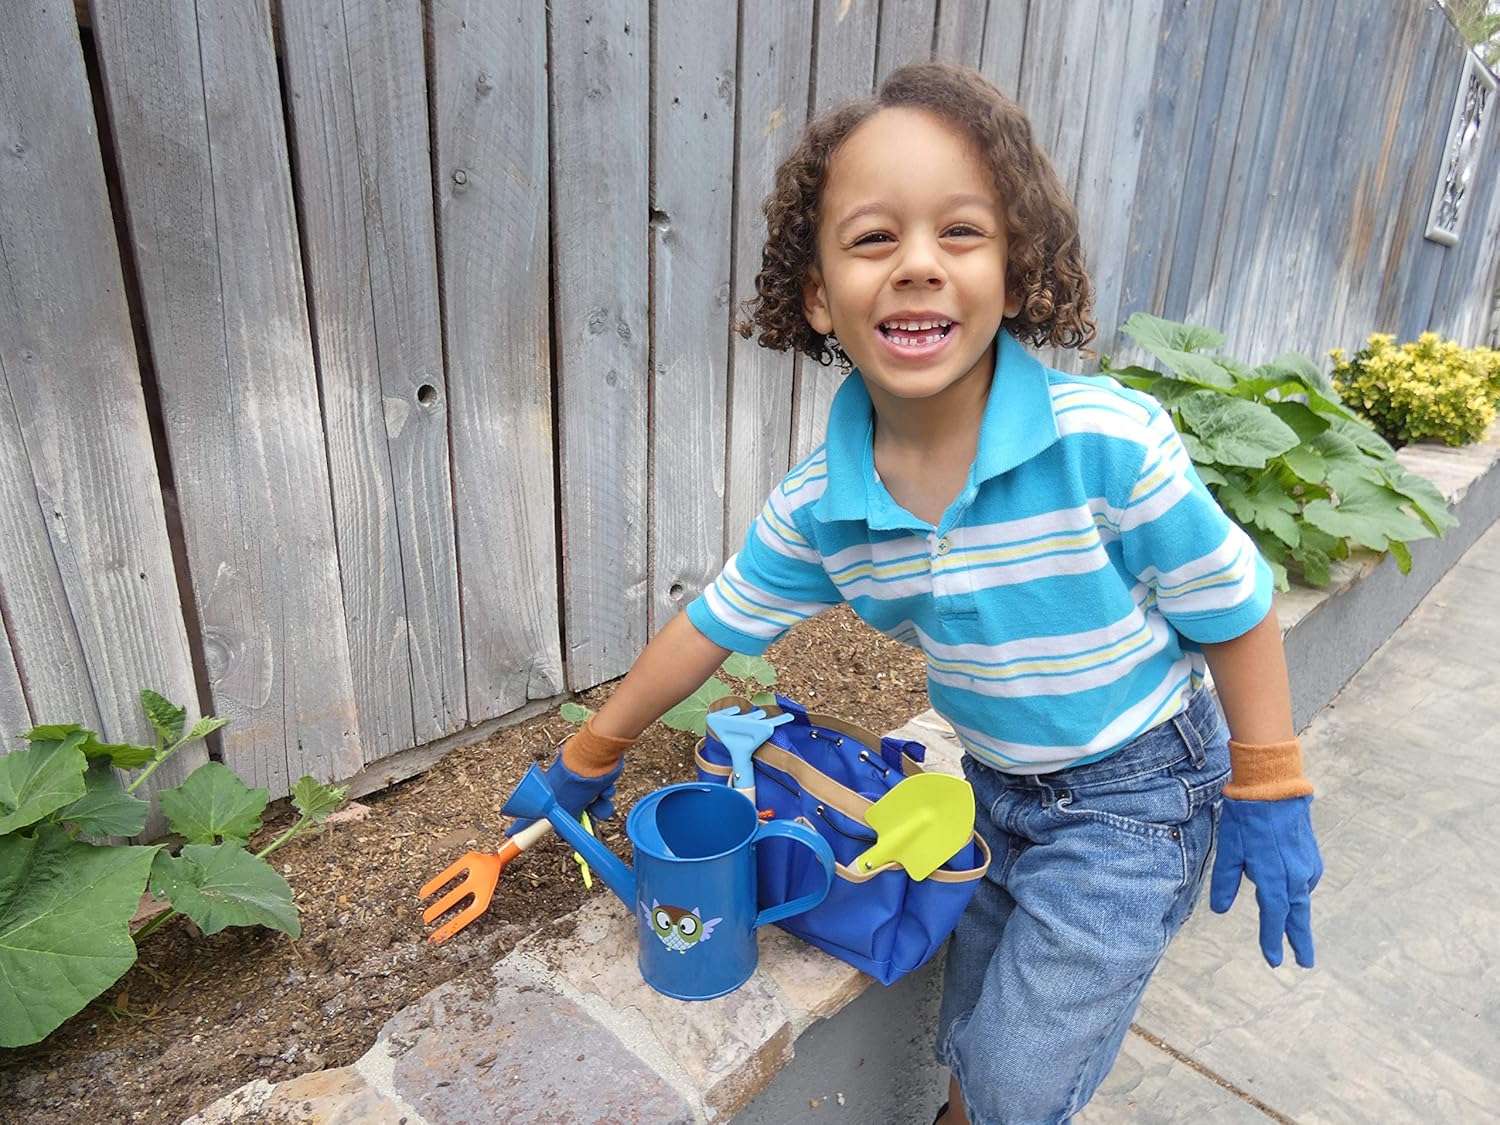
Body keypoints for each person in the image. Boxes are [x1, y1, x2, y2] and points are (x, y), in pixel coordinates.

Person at [512, 62, 1323, 1125]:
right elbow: (712, 626)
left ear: (1019, 271)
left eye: (962, 233)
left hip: (1138, 796)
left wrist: (1267, 782)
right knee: (975, 1029)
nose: (919, 267)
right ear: (816, 293)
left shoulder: (1106, 444)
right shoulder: (824, 508)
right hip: (999, 787)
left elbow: (1236, 604)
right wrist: (588, 755)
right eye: (874, 238)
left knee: (1022, 1078)